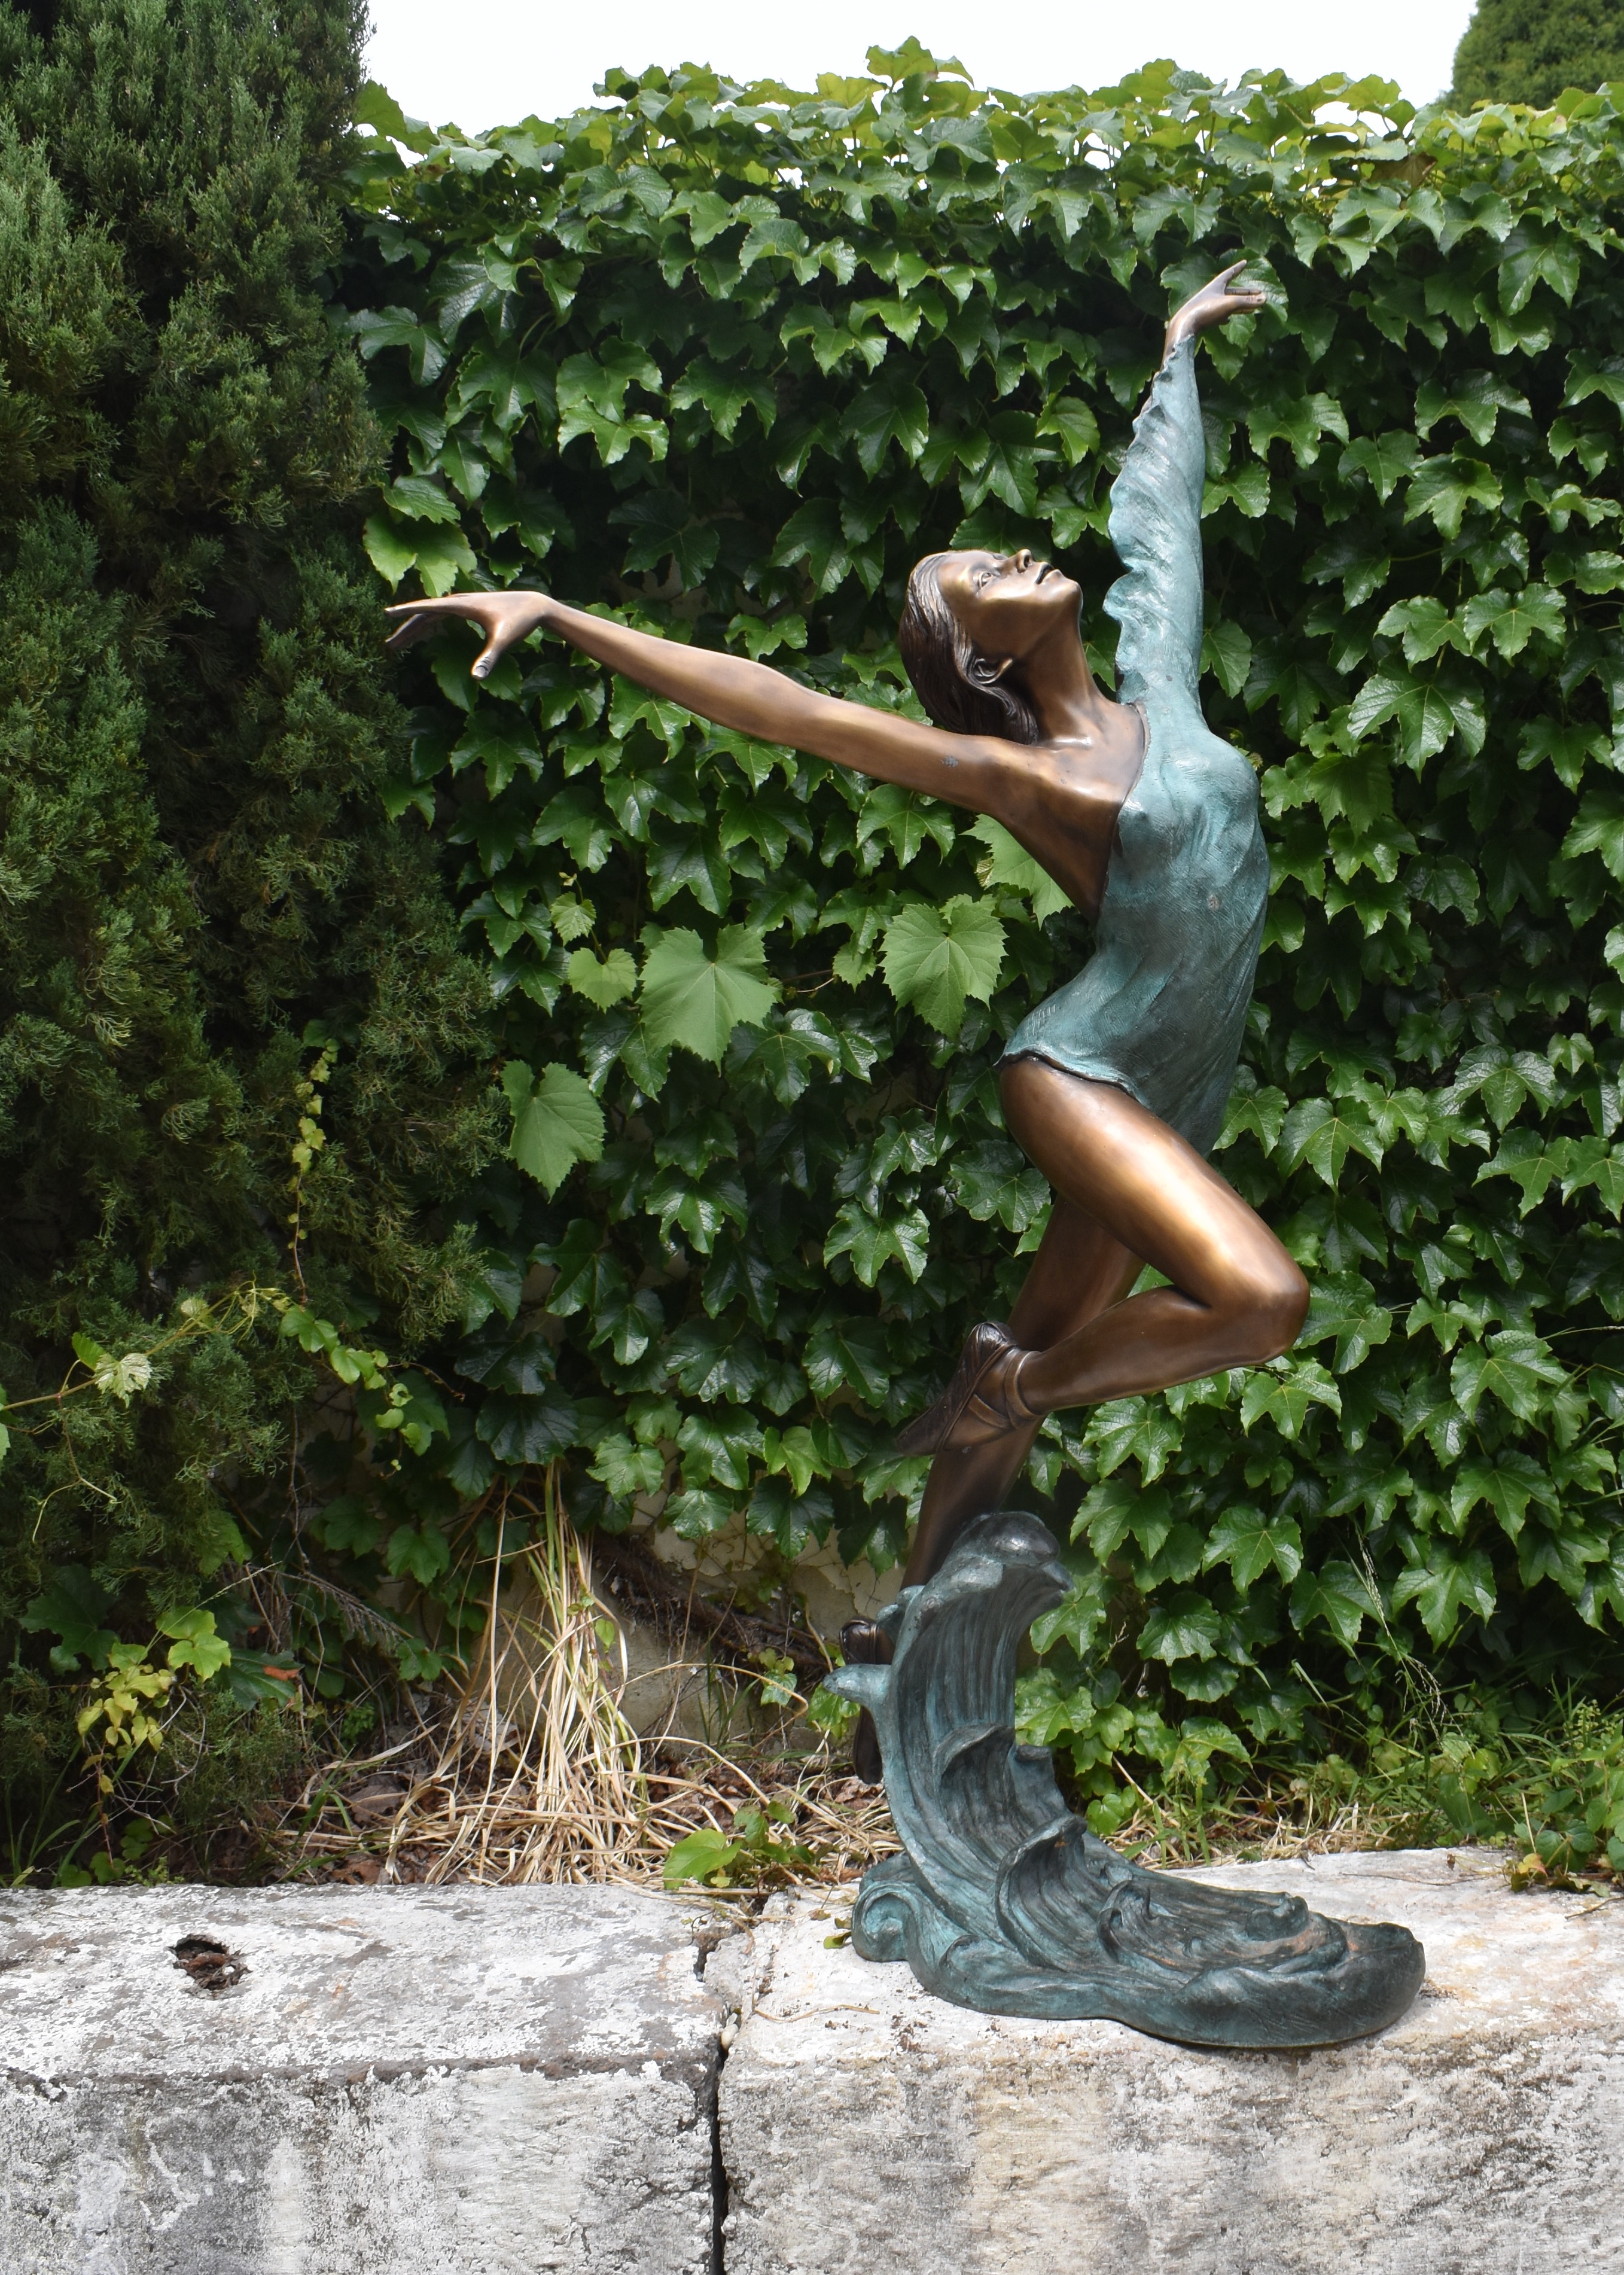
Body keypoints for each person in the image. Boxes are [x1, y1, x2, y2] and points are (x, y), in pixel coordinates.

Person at [384, 261, 1305, 1624]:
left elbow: (1167, 527)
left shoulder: (1158, 688)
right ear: (979, 658)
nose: (1011, 558)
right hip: (1086, 1077)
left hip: (1172, 1086)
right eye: (979, 577)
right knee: (1260, 1301)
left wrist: (1175, 352)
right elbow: (791, 709)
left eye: (995, 552)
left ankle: (908, 1654)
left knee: (1032, 1350)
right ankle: (1014, 1389)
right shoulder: (1032, 780)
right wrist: (566, 617)